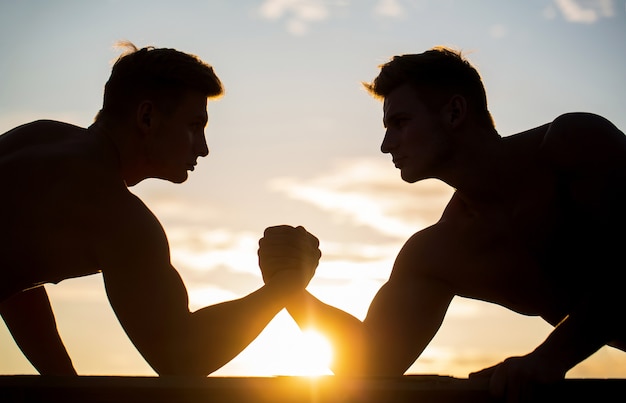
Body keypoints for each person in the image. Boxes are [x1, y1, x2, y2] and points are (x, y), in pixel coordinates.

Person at [258, 47, 626, 401]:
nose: (386, 145)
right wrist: (289, 289)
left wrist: (549, 358)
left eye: (400, 123)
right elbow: (370, 362)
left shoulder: (575, 142)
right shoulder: (439, 252)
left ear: (454, 112)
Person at [0, 42, 319, 376]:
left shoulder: (38, 137)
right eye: (195, 125)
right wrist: (283, 287)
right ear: (147, 117)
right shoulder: (117, 215)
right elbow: (180, 356)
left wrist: (62, 382)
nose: (204, 148)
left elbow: (14, 272)